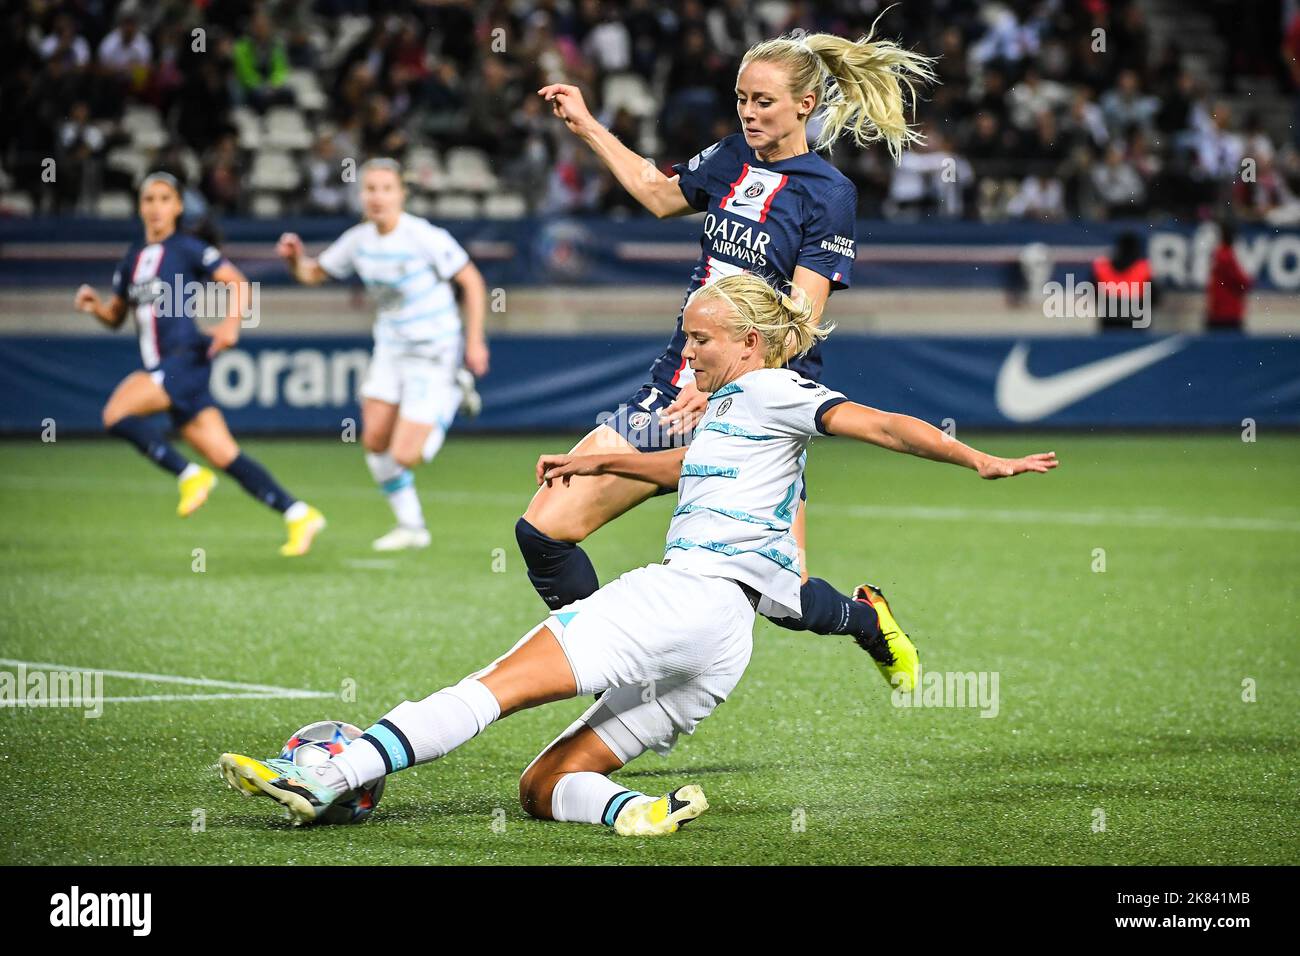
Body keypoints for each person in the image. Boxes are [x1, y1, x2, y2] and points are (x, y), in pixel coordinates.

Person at [219, 273, 1058, 836]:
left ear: (752, 343)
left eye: (701, 339)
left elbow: (878, 424)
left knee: (489, 690)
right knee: (542, 788)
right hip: (721, 648)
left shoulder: (776, 388)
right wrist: (600, 460)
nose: (687, 352)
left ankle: (333, 774)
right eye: (686, 336)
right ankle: (637, 813)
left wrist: (975, 456)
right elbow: (684, 465)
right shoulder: (732, 408)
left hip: (680, 602)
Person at [519, 27, 937, 685]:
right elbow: (660, 195)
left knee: (787, 601)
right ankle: (618, 670)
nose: (749, 112)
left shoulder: (828, 194)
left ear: (806, 104)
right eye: (742, 98)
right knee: (542, 530)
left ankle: (867, 621)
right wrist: (588, 126)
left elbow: (800, 322)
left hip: (762, 411)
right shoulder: (732, 156)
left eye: (765, 102)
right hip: (672, 388)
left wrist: (727, 390)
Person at [74, 171, 325, 556]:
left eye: (163, 199)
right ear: (140, 207)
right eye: (148, 200)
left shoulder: (187, 248)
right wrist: (96, 309)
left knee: (116, 413)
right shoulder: (131, 260)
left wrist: (230, 324)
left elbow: (238, 283)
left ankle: (189, 475)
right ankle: (298, 513)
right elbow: (116, 318)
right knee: (226, 455)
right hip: (168, 367)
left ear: (177, 206)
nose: (155, 208)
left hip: (183, 360)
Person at [277, 159, 489, 551]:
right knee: (375, 441)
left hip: (434, 349)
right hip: (391, 349)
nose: (377, 197)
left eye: (386, 189)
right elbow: (312, 274)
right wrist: (294, 259)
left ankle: (454, 391)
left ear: (401, 195)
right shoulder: (358, 241)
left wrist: (474, 341)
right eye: (370, 189)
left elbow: (472, 282)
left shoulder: (424, 236)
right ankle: (412, 526)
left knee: (406, 454)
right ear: (361, 195)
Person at [1205, 220, 1251, 332]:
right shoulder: (1227, 257)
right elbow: (1242, 282)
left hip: (1217, 310)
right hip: (1228, 313)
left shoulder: (1218, 255)